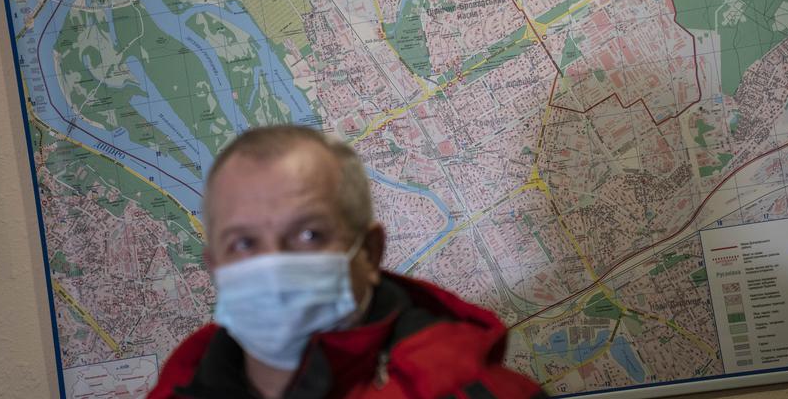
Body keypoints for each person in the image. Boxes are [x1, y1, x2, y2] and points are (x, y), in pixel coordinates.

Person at [149, 125, 547, 399]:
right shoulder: (177, 387)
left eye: (309, 235)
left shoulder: (482, 391)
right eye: (244, 243)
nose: (273, 264)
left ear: (370, 252)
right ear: (215, 267)